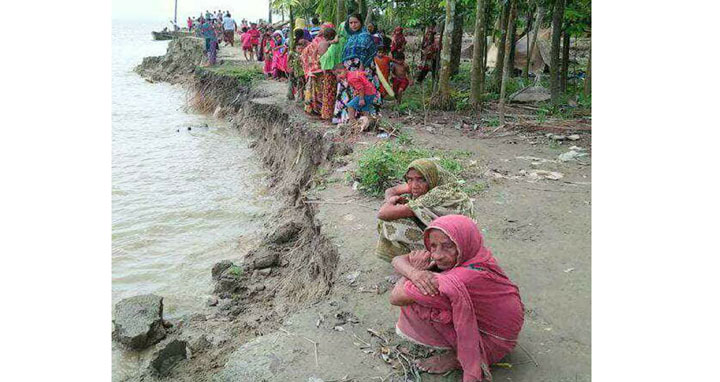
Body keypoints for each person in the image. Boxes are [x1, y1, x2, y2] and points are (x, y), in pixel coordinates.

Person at [389, 215, 524, 381]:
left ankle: (459, 357)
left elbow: (395, 297)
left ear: (463, 242)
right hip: (505, 329)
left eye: (447, 246)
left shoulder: (456, 280)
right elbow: (397, 259)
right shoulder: (477, 254)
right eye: (433, 246)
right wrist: (414, 273)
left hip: (493, 344)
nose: (437, 255)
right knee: (423, 287)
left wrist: (414, 271)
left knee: (415, 301)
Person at [376, 159, 474, 262]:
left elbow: (382, 213)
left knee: (390, 222)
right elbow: (391, 190)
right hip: (450, 236)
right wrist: (392, 200)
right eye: (410, 179)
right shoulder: (438, 182)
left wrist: (391, 203)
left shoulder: (437, 195)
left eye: (420, 179)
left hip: (456, 245)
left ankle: (424, 261)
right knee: (405, 206)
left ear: (430, 178)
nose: (414, 185)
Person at [332, 14, 382, 125]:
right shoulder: (350, 37)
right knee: (349, 91)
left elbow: (368, 53)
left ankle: (367, 119)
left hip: (363, 68)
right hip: (349, 69)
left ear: (361, 22)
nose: (353, 25)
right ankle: (349, 119)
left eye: (356, 22)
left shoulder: (366, 36)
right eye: (351, 23)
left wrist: (361, 67)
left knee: (364, 89)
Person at [300, 24, 329, 116]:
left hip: (319, 69)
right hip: (319, 70)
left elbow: (305, 55)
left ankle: (317, 109)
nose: (323, 30)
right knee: (319, 89)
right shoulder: (321, 41)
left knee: (319, 90)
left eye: (325, 29)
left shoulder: (318, 41)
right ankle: (318, 109)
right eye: (322, 29)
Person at [289, 28, 309, 99]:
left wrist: (290, 65)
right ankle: (301, 95)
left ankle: (294, 95)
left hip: (296, 67)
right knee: (302, 82)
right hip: (301, 68)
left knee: (296, 81)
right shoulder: (305, 41)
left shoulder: (293, 41)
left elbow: (290, 53)